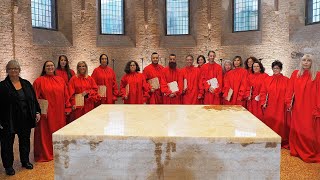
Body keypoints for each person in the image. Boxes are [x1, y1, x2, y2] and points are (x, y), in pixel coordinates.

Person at [0, 60, 41, 176]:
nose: (14, 70)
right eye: (11, 68)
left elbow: (33, 99)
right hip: (8, 120)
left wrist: (37, 111)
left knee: (25, 141)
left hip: (25, 118)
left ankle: (25, 161)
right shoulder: (2, 86)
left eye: (16, 68)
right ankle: (8, 166)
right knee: (7, 144)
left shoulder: (26, 83)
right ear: (7, 71)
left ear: (19, 70)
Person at [33, 61, 71, 162]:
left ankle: (58, 151)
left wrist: (67, 107)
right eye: (47, 66)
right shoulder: (38, 81)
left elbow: (66, 95)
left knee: (59, 131)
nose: (50, 67)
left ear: (54, 67)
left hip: (59, 113)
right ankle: (45, 153)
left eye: (51, 65)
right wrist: (38, 111)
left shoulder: (60, 80)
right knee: (45, 134)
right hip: (46, 114)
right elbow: (34, 98)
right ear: (44, 68)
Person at [286, 54, 320, 163]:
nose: (306, 62)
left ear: (312, 62)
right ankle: (297, 149)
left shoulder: (317, 76)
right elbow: (290, 90)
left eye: (308, 60)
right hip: (298, 108)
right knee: (298, 129)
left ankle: (309, 151)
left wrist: (318, 108)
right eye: (304, 60)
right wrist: (288, 103)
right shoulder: (295, 74)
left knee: (309, 130)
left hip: (311, 108)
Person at [260, 60, 290, 148]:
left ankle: (281, 140)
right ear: (272, 69)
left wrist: (287, 103)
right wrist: (263, 102)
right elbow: (263, 92)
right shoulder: (267, 79)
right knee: (270, 122)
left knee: (281, 123)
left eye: (277, 68)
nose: (275, 69)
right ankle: (271, 140)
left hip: (281, 106)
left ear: (280, 69)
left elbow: (289, 92)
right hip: (270, 105)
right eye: (274, 68)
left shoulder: (287, 80)